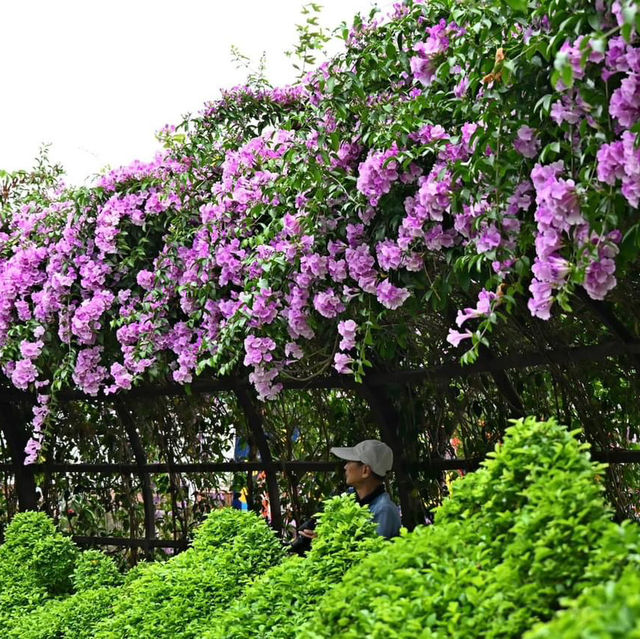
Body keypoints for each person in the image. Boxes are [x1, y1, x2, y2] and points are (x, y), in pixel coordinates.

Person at [296, 439, 401, 547]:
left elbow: (369, 557)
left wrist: (326, 545)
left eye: (350, 461)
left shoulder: (384, 510)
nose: (345, 467)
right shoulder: (350, 499)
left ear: (365, 471)